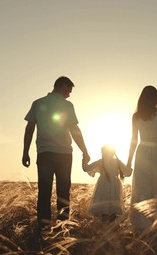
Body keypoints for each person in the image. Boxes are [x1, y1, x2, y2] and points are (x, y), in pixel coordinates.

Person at [22, 76, 90, 231]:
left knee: (44, 191)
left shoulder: (38, 103)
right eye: (69, 90)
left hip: (44, 153)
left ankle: (43, 228)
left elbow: (29, 129)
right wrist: (85, 151)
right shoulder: (67, 105)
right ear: (63, 87)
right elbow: (75, 130)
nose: (69, 94)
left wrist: (25, 152)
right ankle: (63, 228)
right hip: (64, 154)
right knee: (63, 192)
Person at [127, 85, 157, 231]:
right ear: (156, 98)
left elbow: (133, 140)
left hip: (143, 153)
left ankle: (143, 226)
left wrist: (129, 161)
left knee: (144, 187)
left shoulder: (136, 117)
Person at [83, 144, 132, 221]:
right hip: (115, 185)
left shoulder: (100, 161)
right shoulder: (117, 162)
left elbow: (86, 168)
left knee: (103, 206)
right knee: (113, 208)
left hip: (102, 184)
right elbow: (128, 173)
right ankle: (111, 226)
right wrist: (129, 163)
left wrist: (84, 159)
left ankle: (104, 225)